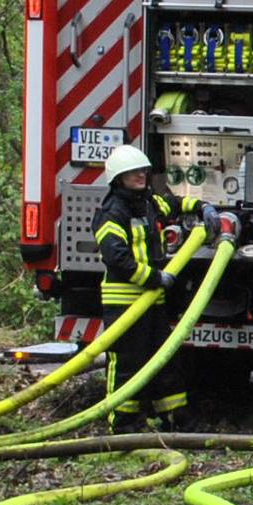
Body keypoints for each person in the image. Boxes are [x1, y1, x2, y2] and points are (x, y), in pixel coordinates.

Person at [92, 144, 228, 432]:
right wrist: (155, 278)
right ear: (119, 178)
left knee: (166, 360)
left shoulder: (148, 203)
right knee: (128, 363)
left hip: (152, 300)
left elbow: (175, 204)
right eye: (133, 173)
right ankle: (122, 421)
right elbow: (117, 259)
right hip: (126, 301)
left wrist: (203, 207)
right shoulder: (111, 213)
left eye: (143, 170)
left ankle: (175, 418)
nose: (141, 175)